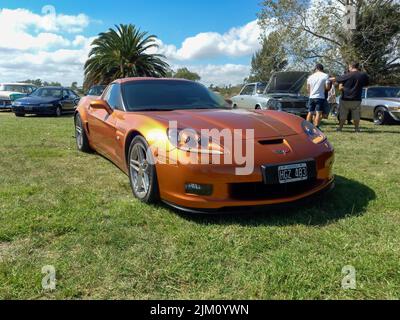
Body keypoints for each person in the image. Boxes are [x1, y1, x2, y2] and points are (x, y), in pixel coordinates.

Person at [331, 62, 369, 132]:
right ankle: (357, 129)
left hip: (345, 98)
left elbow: (336, 79)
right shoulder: (363, 75)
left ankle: (340, 128)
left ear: (351, 66)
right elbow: (366, 84)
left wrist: (327, 78)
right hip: (357, 98)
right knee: (356, 115)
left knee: (343, 114)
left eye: (349, 67)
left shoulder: (347, 75)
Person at [306, 63, 330, 128]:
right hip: (320, 96)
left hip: (311, 97)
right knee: (318, 113)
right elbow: (327, 87)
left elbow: (308, 88)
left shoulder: (310, 77)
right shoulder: (325, 75)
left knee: (310, 112)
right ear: (322, 69)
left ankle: (307, 127)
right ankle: (316, 127)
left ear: (316, 68)